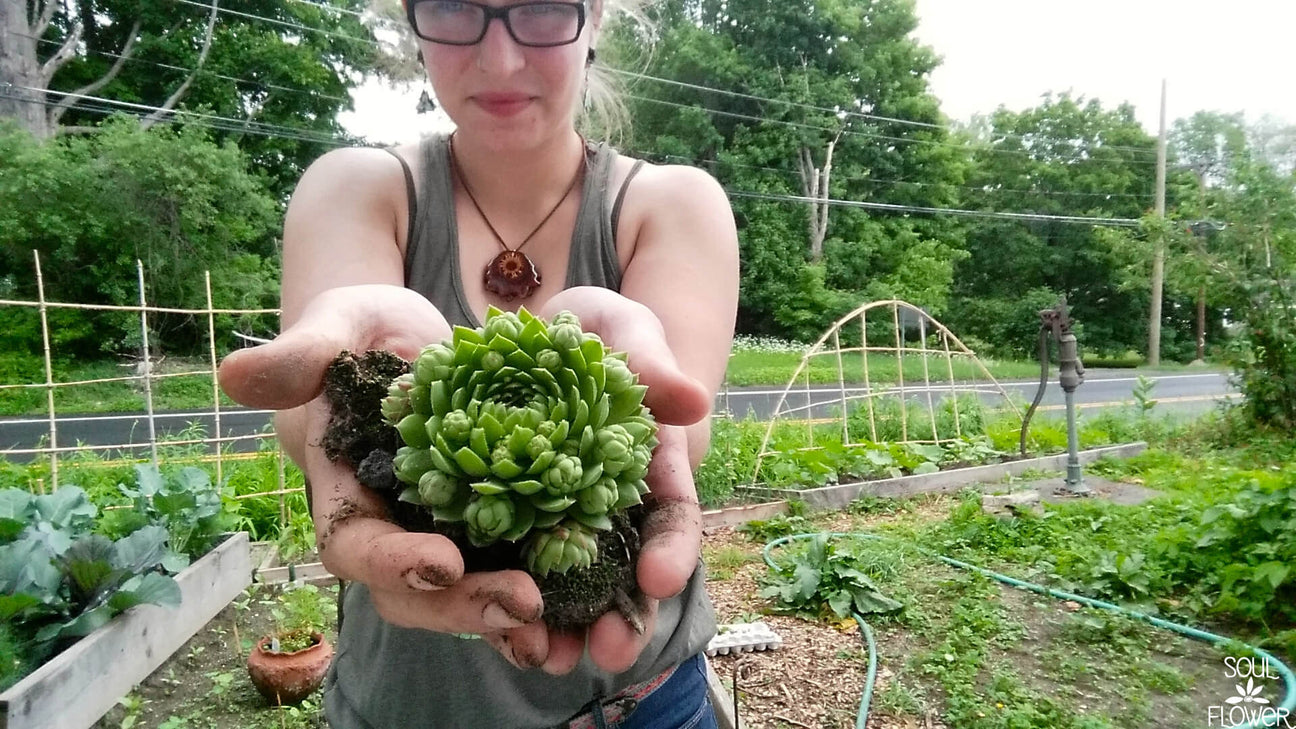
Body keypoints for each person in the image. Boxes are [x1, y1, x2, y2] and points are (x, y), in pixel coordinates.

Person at [217, 0, 740, 725]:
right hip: (403, 708)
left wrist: (624, 377)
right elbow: (310, 415)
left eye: (543, 9)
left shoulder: (675, 202)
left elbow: (676, 427)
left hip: (643, 706)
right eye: (455, 7)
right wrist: (339, 394)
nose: (499, 59)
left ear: (595, 19)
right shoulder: (354, 186)